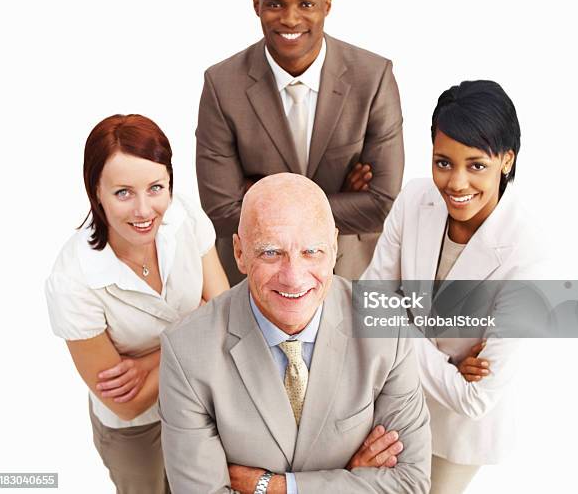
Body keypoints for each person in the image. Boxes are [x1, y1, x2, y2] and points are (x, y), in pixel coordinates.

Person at [159, 173, 431, 494]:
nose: (293, 277)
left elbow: (410, 484)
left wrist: (274, 487)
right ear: (239, 253)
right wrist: (348, 478)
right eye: (271, 252)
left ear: (333, 247)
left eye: (312, 251)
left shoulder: (388, 325)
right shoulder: (186, 350)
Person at [363, 80, 548, 493]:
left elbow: (475, 399)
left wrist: (395, 332)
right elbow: (368, 303)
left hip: (457, 437)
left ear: (506, 160)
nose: (456, 183)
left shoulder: (530, 254)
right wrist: (446, 365)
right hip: (389, 406)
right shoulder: (414, 200)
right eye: (443, 162)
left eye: (476, 165)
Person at [196, 0, 404, 285]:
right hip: (256, 281)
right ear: (256, 4)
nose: (290, 19)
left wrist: (264, 198)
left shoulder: (374, 77)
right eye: (275, 4)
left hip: (352, 273)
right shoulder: (221, 85)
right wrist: (335, 195)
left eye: (305, 4)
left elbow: (381, 204)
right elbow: (220, 213)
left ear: (327, 4)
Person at [45, 114, 229, 494]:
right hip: (135, 430)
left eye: (156, 188)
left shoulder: (184, 217)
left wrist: (149, 361)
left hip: (203, 401)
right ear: (96, 192)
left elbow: (226, 314)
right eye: (123, 192)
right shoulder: (73, 280)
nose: (145, 210)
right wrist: (198, 324)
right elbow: (124, 404)